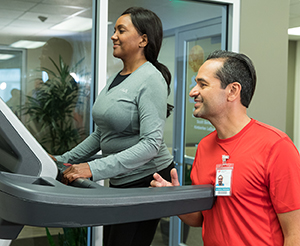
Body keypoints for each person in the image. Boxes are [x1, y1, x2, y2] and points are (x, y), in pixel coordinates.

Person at [50, 6, 174, 246]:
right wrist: (61, 159)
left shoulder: (151, 79)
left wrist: (92, 169)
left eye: (121, 30)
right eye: (114, 30)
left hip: (146, 179)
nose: (113, 36)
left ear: (143, 40)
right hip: (120, 179)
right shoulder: (116, 78)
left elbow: (151, 144)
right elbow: (101, 134)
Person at [151, 50, 300, 245]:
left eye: (202, 84)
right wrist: (173, 198)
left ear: (232, 91)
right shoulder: (205, 146)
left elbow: (295, 233)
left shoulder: (276, 147)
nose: (192, 92)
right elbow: (199, 218)